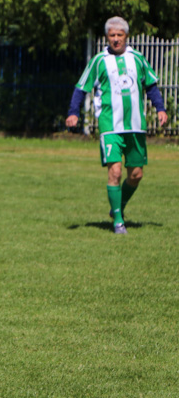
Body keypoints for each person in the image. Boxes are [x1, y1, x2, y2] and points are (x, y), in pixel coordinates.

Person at [66, 16, 169, 234]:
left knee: (136, 174)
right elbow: (80, 87)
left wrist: (160, 108)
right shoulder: (99, 61)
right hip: (110, 126)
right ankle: (119, 223)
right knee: (115, 172)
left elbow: (150, 85)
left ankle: (118, 208)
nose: (115, 39)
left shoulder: (138, 59)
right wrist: (73, 112)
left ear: (126, 37)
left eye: (119, 35)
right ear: (107, 37)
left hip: (135, 126)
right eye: (111, 35)